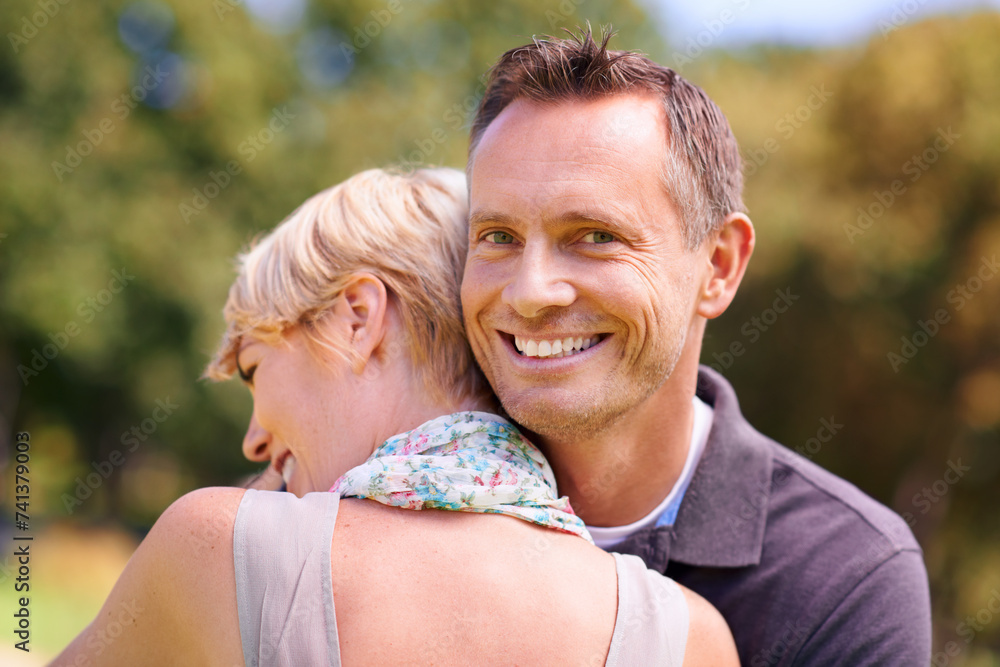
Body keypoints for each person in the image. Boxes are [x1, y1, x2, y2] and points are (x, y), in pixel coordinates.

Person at [54, 167, 738, 665]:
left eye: (256, 367)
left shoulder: (220, 547)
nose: (254, 437)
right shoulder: (684, 635)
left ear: (358, 316)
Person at [460, 28, 932, 665]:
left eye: (595, 235)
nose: (530, 292)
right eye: (496, 236)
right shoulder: (389, 500)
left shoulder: (848, 576)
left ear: (718, 266)